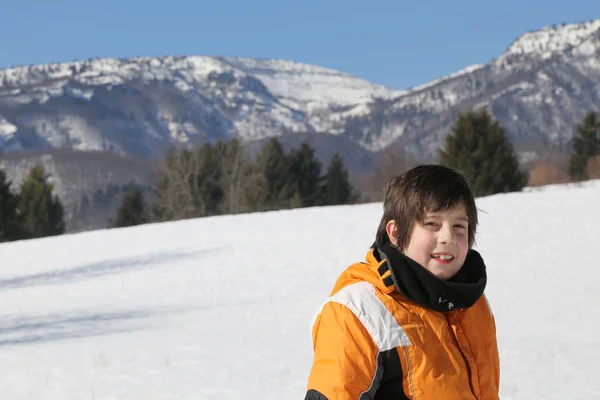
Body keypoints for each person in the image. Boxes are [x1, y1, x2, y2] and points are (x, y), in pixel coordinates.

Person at [304, 164, 500, 400]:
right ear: (395, 233)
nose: (448, 237)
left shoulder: (473, 304)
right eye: (432, 224)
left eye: (459, 226)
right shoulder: (357, 313)